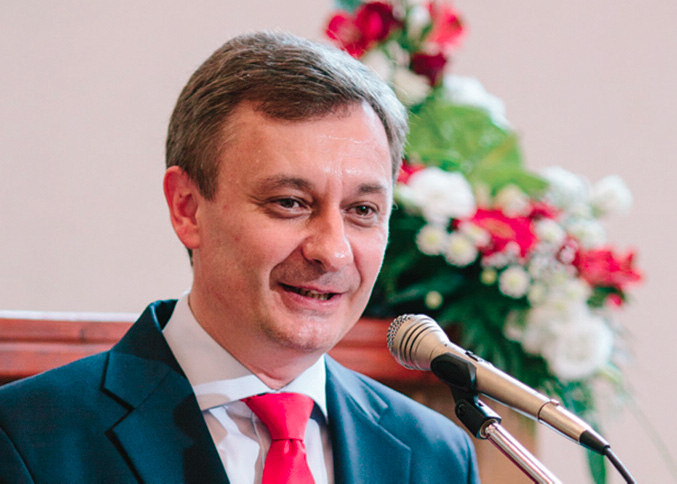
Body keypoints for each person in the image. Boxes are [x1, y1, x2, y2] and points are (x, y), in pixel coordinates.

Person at [0, 31, 479, 483]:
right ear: (187, 208)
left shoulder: (435, 455)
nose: (332, 251)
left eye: (363, 210)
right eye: (290, 202)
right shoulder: (28, 438)